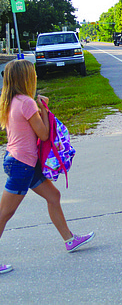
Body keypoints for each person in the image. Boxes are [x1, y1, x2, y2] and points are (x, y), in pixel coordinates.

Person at [0, 59, 94, 275]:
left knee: (54, 196)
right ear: (25, 77)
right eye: (32, 74)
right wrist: (43, 109)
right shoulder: (26, 102)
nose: (35, 77)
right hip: (22, 165)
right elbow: (43, 134)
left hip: (19, 161)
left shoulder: (11, 100)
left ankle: (69, 240)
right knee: (4, 213)